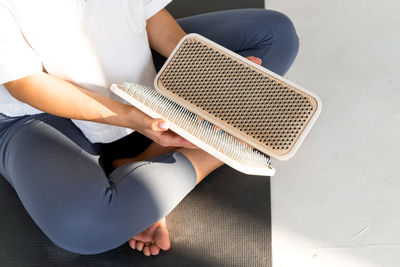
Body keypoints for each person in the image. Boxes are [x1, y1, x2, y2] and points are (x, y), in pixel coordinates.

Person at [0, 0, 299, 257]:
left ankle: (141, 162)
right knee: (86, 229)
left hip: (132, 76)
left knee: (275, 35)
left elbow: (149, 15)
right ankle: (218, 149)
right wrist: (132, 116)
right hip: (38, 110)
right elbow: (25, 83)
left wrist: (206, 67)